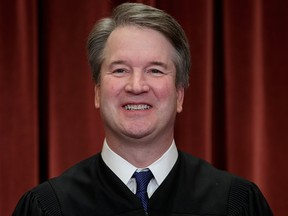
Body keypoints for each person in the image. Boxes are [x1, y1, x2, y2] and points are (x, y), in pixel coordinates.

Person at [13, 2, 273, 216]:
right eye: (120, 70)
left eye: (155, 70)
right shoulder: (47, 207)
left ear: (180, 94)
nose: (136, 86)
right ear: (97, 92)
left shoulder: (236, 204)